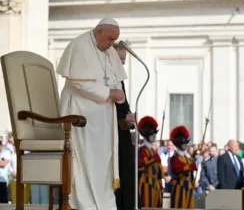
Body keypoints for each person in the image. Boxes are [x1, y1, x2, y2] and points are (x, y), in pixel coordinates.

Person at [56, 17, 127, 210]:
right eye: (109, 39)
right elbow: (79, 82)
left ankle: (104, 204)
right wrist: (107, 93)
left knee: (103, 160)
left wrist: (118, 92)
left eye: (114, 40)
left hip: (103, 120)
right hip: (81, 115)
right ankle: (84, 204)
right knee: (85, 158)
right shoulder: (79, 45)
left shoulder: (109, 51)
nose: (111, 44)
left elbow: (115, 79)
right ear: (98, 32)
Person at [113, 41, 136, 210]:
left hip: (123, 133)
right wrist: (124, 118)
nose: (123, 63)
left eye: (124, 59)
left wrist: (129, 116)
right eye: (121, 59)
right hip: (112, 135)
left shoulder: (119, 79)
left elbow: (123, 105)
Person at [137, 116, 164, 208]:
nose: (155, 136)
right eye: (152, 135)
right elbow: (139, 164)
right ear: (147, 136)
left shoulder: (153, 150)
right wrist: (153, 159)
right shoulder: (142, 150)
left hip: (156, 183)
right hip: (146, 184)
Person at [169, 126, 197, 209]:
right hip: (179, 188)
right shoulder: (174, 158)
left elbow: (191, 174)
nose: (186, 145)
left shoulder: (188, 158)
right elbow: (177, 170)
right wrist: (192, 166)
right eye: (184, 143)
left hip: (189, 189)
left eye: (186, 143)